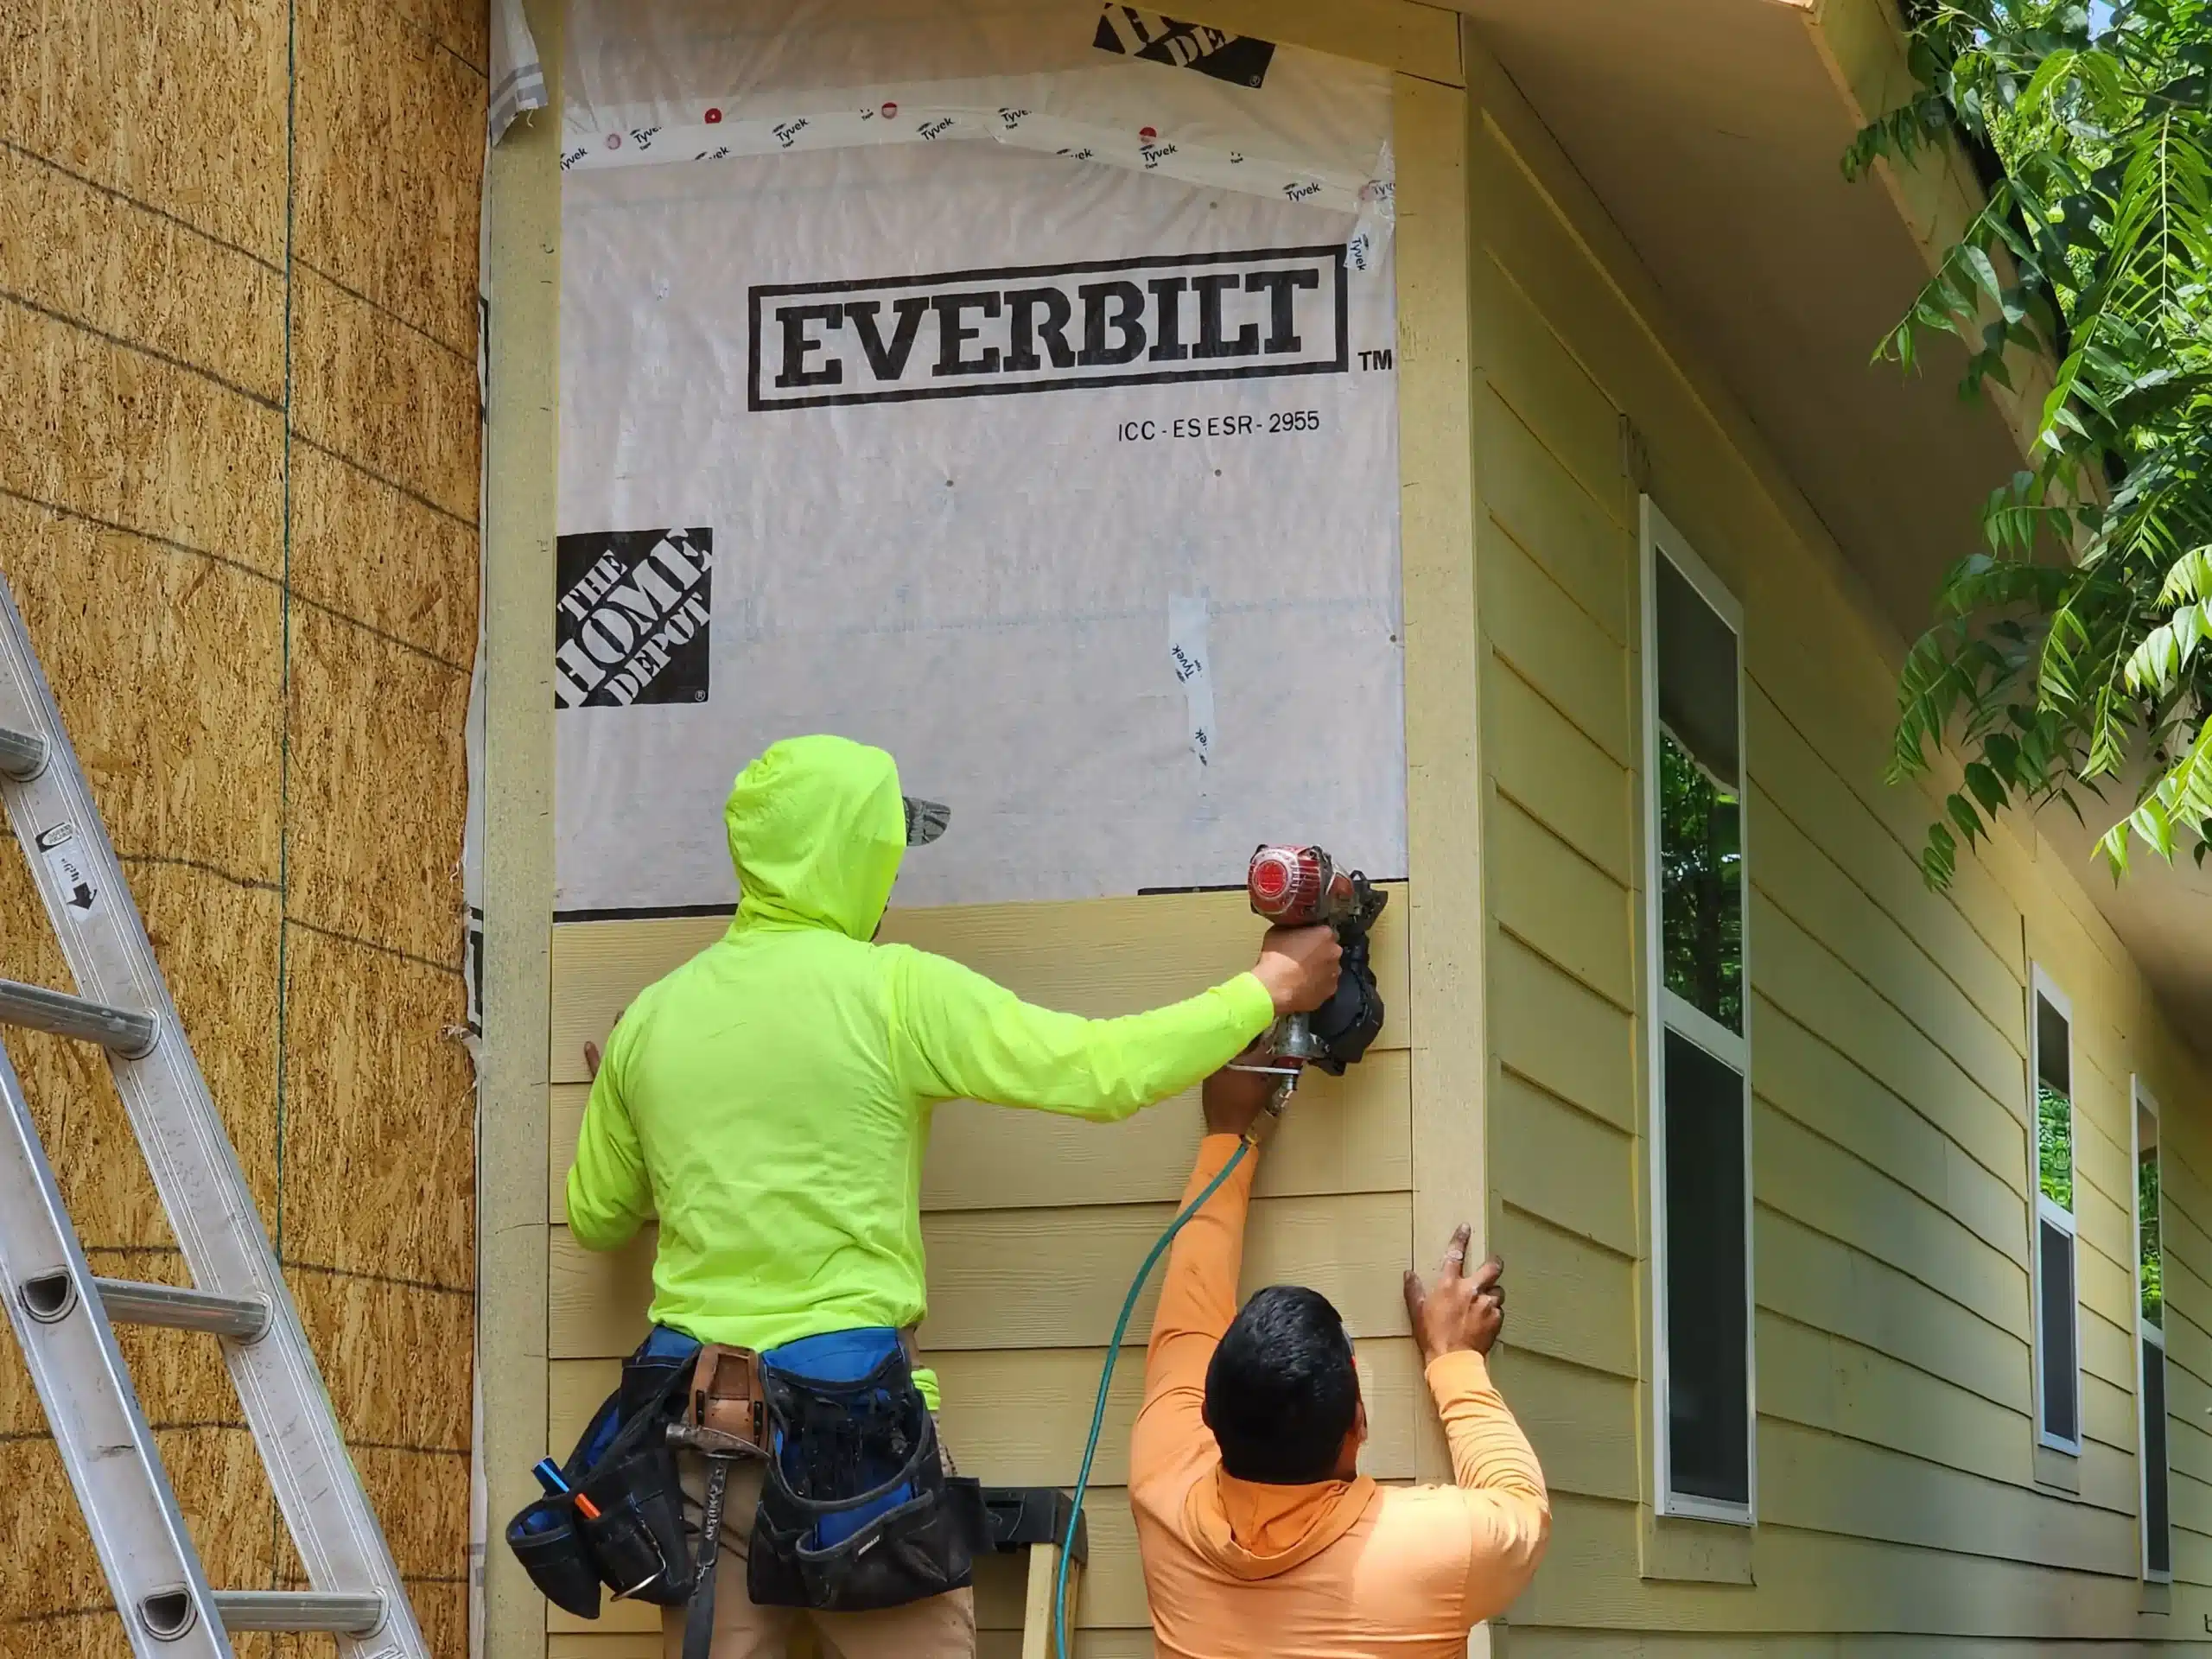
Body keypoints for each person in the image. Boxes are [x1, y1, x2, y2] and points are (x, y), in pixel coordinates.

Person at [565, 733, 1343, 1659]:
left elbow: (597, 1214)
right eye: (884, 854)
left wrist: (628, 1100)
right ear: (852, 857)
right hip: (856, 1444)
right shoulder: (894, 993)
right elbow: (1099, 1072)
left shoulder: (654, 1020)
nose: (890, 882)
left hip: (701, 1445)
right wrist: (1271, 986)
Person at [1130, 1060, 1551, 1657]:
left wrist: (1227, 1133)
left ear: (1206, 1412)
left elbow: (1189, 1311)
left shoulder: (1162, 1482)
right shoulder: (1430, 1548)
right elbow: (1522, 1508)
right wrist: (1453, 1359)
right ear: (1358, 1423)